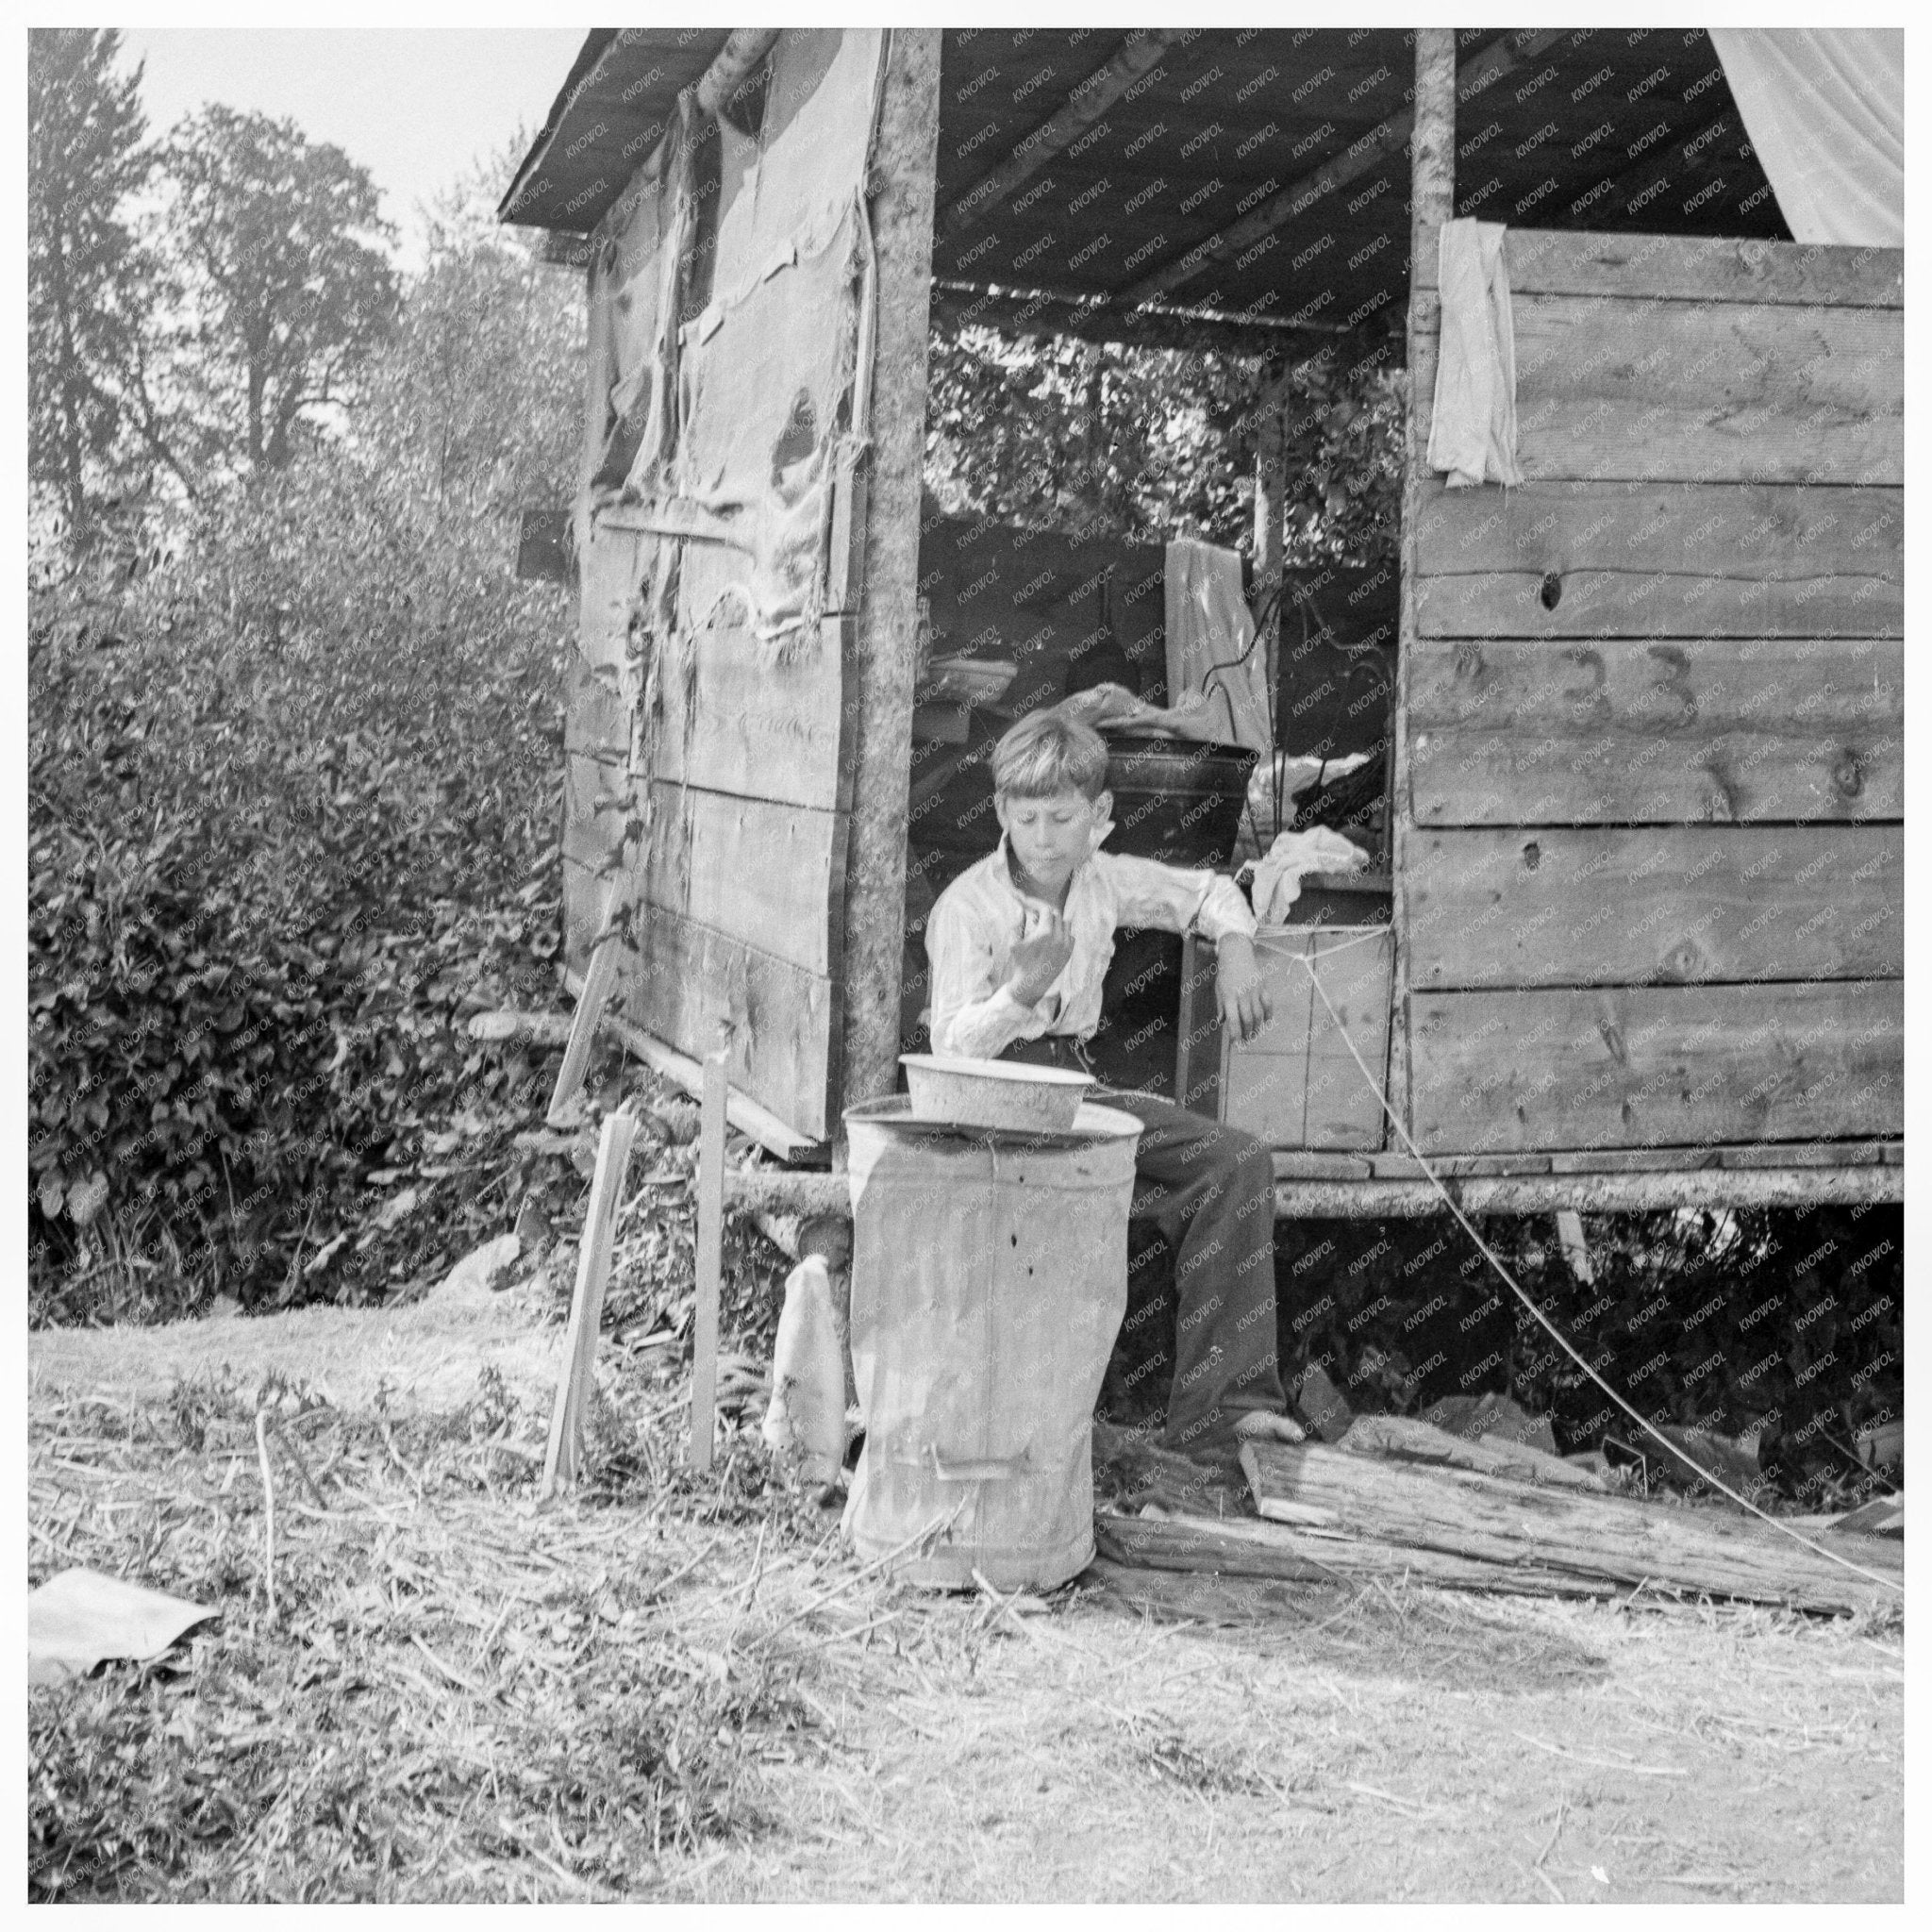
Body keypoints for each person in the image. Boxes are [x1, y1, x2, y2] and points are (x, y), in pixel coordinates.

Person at [924, 708, 1306, 1464]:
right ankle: (1030, 1428)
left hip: (1078, 1093)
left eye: (1063, 817)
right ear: (1001, 812)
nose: (1044, 837)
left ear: (1098, 816)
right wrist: (1019, 995)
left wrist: (1235, 945)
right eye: (1027, 817)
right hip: (989, 1100)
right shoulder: (968, 906)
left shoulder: (1103, 880)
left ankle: (1222, 1415)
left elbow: (1206, 893)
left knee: (1234, 1163)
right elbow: (949, 1047)